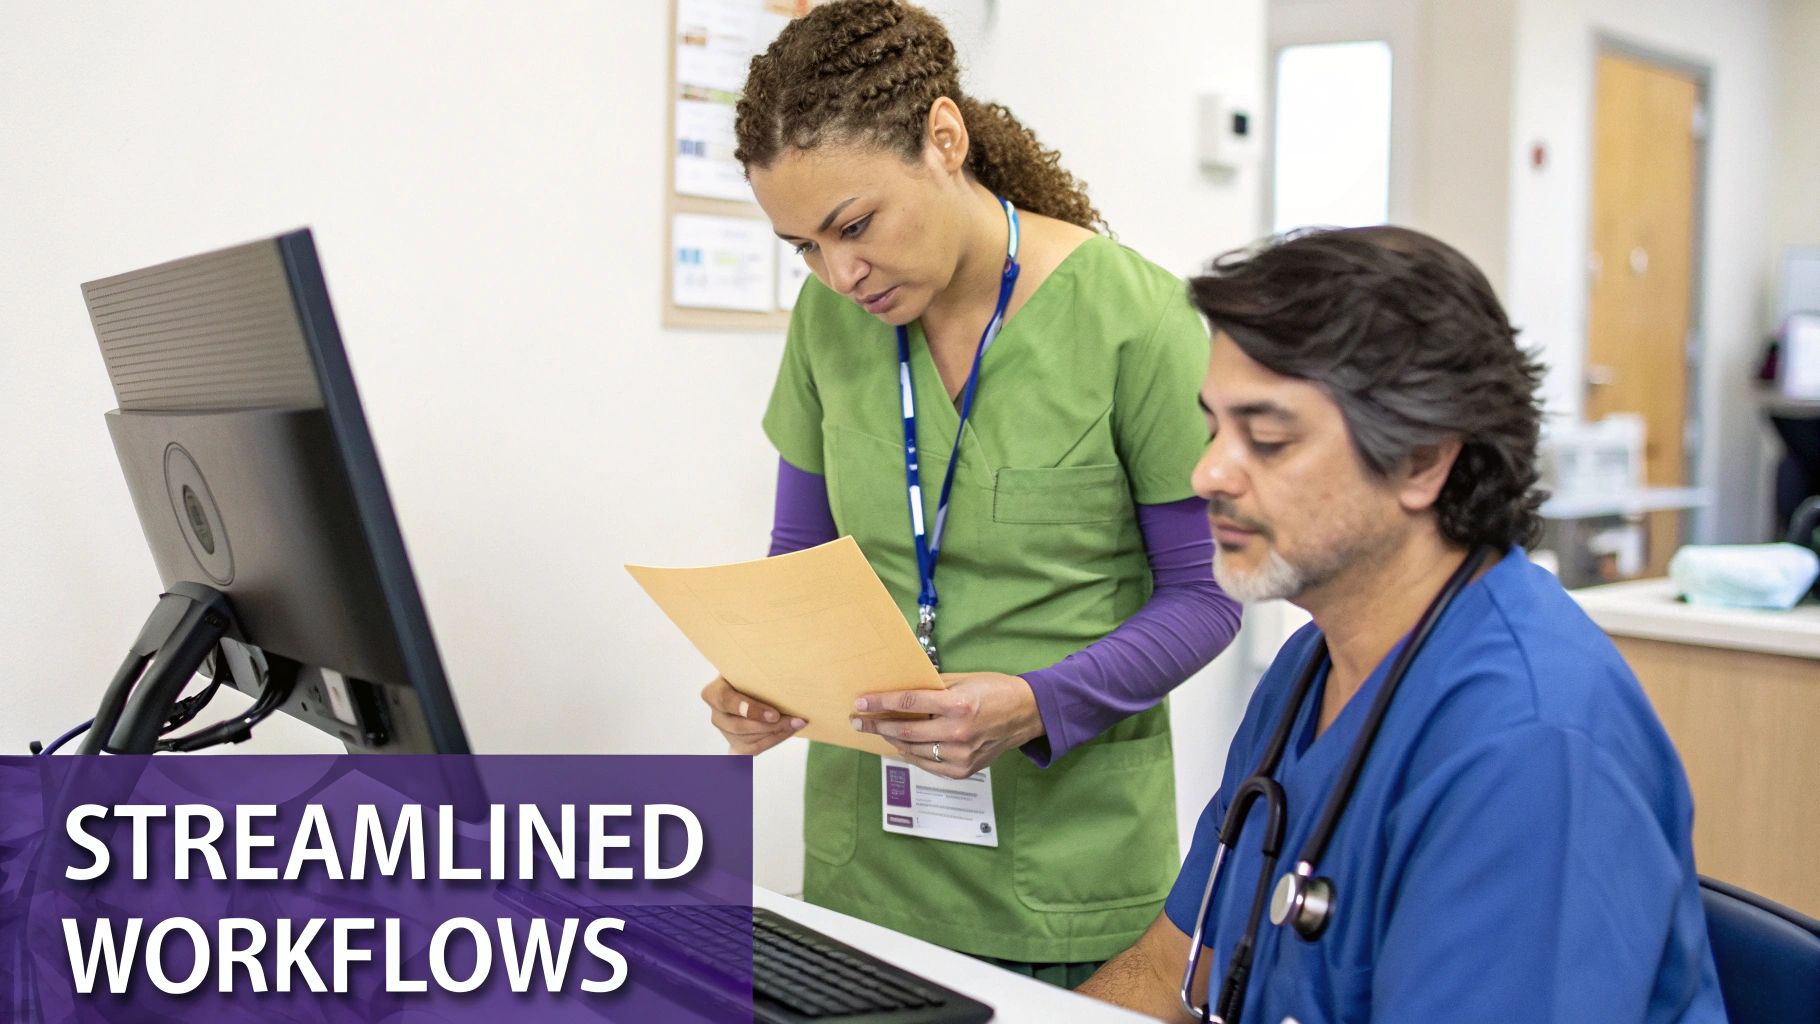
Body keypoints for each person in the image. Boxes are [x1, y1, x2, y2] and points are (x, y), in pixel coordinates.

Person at [697, 0, 1242, 982]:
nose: (839, 271)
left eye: (853, 224)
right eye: (805, 248)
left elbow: (1205, 597)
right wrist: (761, 677)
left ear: (943, 139)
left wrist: (1038, 701)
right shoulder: (830, 326)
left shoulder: (1136, 320)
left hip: (1067, 882)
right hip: (868, 873)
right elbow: (802, 562)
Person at [1077, 226, 1726, 1021]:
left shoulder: (1530, 741)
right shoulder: (1312, 669)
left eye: (1268, 438)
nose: (1207, 472)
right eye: (1215, 428)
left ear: (1423, 460)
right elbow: (1169, 971)